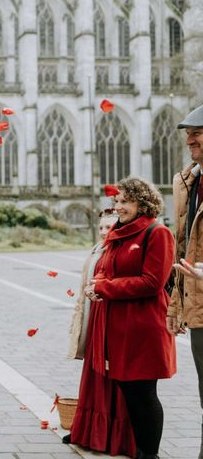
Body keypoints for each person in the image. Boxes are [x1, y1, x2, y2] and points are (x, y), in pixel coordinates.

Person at [82, 177, 176, 459]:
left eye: (126, 201)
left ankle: (149, 454)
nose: (119, 207)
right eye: (117, 201)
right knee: (128, 390)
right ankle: (140, 450)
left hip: (144, 327)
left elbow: (151, 283)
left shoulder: (157, 233)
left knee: (143, 392)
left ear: (142, 202)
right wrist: (96, 283)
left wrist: (104, 288)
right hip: (119, 326)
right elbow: (106, 268)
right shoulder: (118, 233)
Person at [67, 208, 137, 457]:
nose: (105, 232)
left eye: (110, 227)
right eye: (102, 228)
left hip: (110, 318)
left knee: (110, 377)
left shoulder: (120, 250)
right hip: (95, 315)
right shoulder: (98, 248)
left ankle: (111, 434)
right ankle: (87, 430)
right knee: (94, 375)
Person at [169, 103, 203, 459]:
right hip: (198, 303)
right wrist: (175, 303)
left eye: (197, 133)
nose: (189, 140)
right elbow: (183, 247)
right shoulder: (189, 182)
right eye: (188, 135)